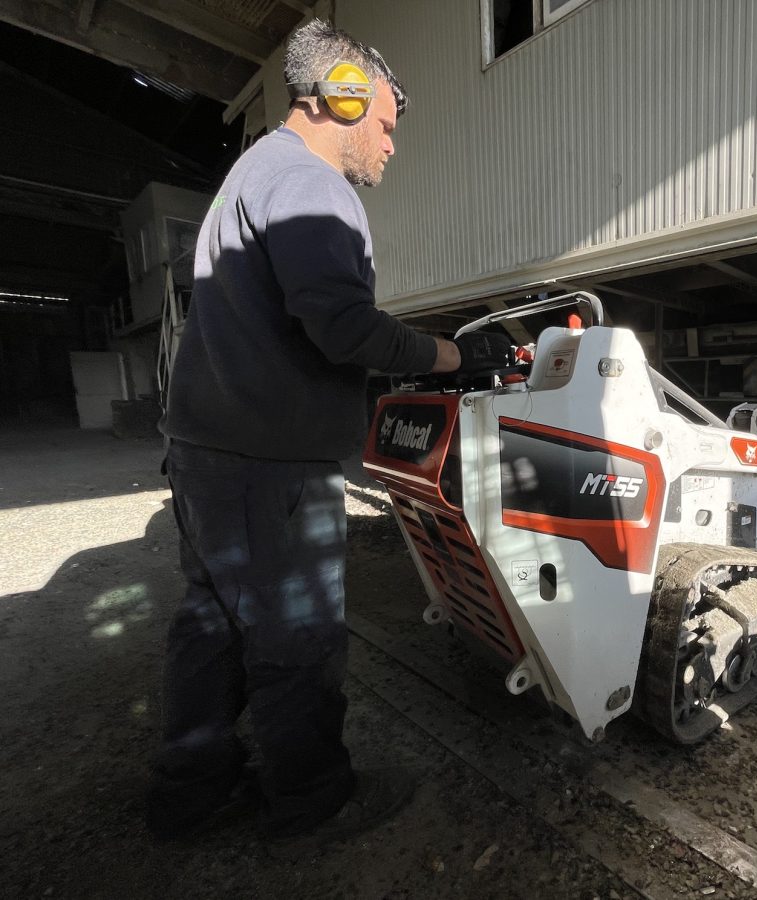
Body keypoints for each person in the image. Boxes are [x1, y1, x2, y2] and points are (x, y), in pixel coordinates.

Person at [146, 19, 510, 843]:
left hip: (208, 455)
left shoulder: (255, 172)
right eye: (384, 124)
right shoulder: (311, 183)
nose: (390, 145)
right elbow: (342, 326)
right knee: (296, 642)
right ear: (339, 99)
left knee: (210, 625)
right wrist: (454, 354)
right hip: (265, 468)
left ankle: (189, 791)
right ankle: (312, 803)